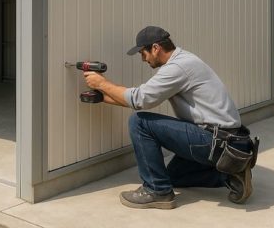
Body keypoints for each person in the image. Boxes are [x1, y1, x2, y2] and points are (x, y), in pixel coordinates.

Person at [83, 25, 255, 210]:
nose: (143, 59)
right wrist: (102, 97)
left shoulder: (178, 67)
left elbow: (140, 99)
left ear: (156, 48)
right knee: (172, 176)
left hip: (217, 141)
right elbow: (138, 99)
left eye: (143, 53)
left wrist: (102, 84)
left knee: (139, 122)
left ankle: (157, 191)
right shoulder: (183, 60)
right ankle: (230, 176)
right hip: (227, 142)